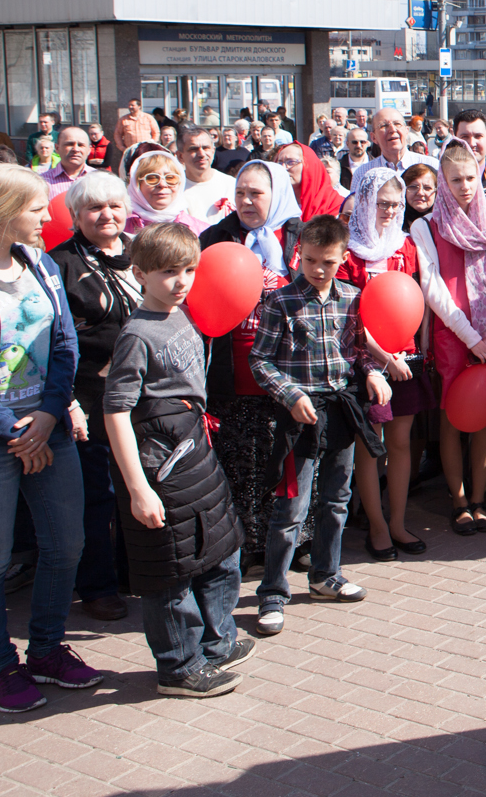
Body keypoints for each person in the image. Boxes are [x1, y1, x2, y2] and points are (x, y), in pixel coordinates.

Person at [0, 165, 102, 712]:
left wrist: (46, 415)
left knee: (66, 546)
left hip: (48, 429)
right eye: (38, 207)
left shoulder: (40, 262)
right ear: (1, 211)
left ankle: (45, 650)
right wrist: (13, 428)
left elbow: (64, 345)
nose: (49, 216)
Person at [101, 223, 251, 697]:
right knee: (171, 569)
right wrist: (138, 487)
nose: (182, 281)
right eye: (169, 272)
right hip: (159, 462)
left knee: (218, 550)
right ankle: (179, 667)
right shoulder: (137, 334)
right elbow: (116, 410)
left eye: (189, 269)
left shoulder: (182, 315)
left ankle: (216, 642)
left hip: (193, 452)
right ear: (140, 273)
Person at [250, 215, 390, 636]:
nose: (317, 270)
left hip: (341, 410)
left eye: (327, 262)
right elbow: (260, 361)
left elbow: (357, 351)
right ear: (299, 254)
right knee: (291, 506)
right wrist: (291, 395)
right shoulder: (281, 302)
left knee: (337, 498)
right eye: (310, 260)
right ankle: (272, 591)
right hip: (299, 416)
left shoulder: (352, 297)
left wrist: (371, 371)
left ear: (343, 258)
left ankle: (326, 575)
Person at [198, 160, 304, 568]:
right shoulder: (216, 237)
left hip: (286, 368)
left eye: (255, 193)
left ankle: (294, 544)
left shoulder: (296, 235)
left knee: (285, 459)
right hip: (232, 366)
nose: (245, 201)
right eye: (240, 192)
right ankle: (245, 544)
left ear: (275, 195)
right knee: (242, 459)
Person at [49, 171, 140, 623]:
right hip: (87, 397)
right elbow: (54, 343)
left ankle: (133, 574)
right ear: (76, 215)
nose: (107, 215)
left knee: (136, 487)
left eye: (115, 206)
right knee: (97, 496)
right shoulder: (59, 264)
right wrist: (68, 402)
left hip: (141, 396)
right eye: (95, 208)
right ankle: (97, 586)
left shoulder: (139, 253)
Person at [411, 140, 486, 536]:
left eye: (471, 177)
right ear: (443, 181)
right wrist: (471, 338)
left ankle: (480, 498)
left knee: (485, 416)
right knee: (452, 418)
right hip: (455, 335)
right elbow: (432, 287)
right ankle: (458, 502)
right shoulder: (427, 226)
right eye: (455, 179)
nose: (465, 186)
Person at [339, 169, 429, 560]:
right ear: (364, 202)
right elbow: (351, 316)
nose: (391, 211)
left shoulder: (405, 245)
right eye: (382, 204)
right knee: (370, 444)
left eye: (396, 204)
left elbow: (413, 300)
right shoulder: (349, 251)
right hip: (368, 363)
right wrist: (382, 359)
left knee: (401, 441)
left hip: (404, 358)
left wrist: (407, 354)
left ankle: (397, 522)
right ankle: (376, 526)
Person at [125, 150, 210, 237]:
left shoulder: (201, 232)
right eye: (152, 178)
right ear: (136, 184)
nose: (162, 184)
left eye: (170, 178)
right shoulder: (120, 227)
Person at [354, 108, 435, 190]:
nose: (392, 130)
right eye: (384, 126)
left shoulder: (431, 166)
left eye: (397, 124)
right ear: (373, 137)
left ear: (407, 131)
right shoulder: (363, 173)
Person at [176, 124, 234, 224]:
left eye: (206, 148)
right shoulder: (173, 188)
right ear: (180, 156)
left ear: (213, 151)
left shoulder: (231, 185)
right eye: (193, 149)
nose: (201, 154)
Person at [41, 125, 97, 200]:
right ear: (57, 148)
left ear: (89, 150)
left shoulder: (100, 179)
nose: (75, 149)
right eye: (69, 144)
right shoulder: (42, 182)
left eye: (81, 145)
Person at [401, 161, 437, 230]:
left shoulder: (445, 225)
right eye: (413, 187)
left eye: (427, 188)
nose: (420, 193)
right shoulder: (394, 224)